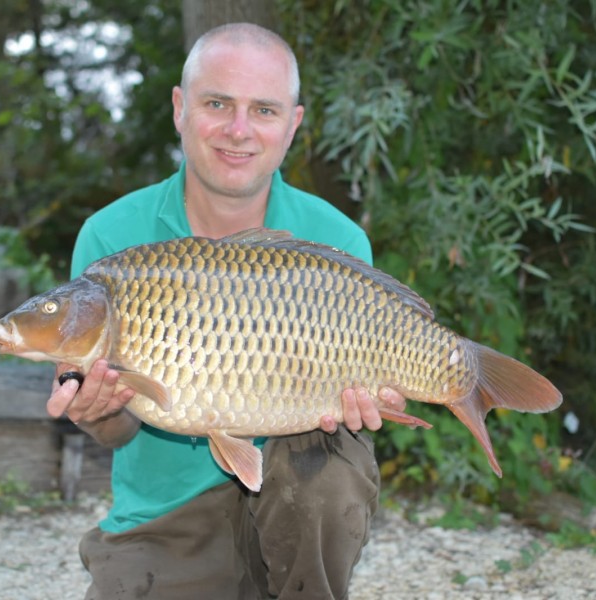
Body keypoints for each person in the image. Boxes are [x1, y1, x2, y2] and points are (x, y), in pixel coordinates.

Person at [46, 22, 404, 600]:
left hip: (296, 494)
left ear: (293, 125)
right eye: (218, 103)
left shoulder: (335, 241)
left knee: (331, 473)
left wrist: (367, 397)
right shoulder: (111, 237)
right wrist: (97, 412)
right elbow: (117, 432)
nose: (239, 131)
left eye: (263, 110)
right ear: (180, 108)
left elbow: (356, 408)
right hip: (167, 514)